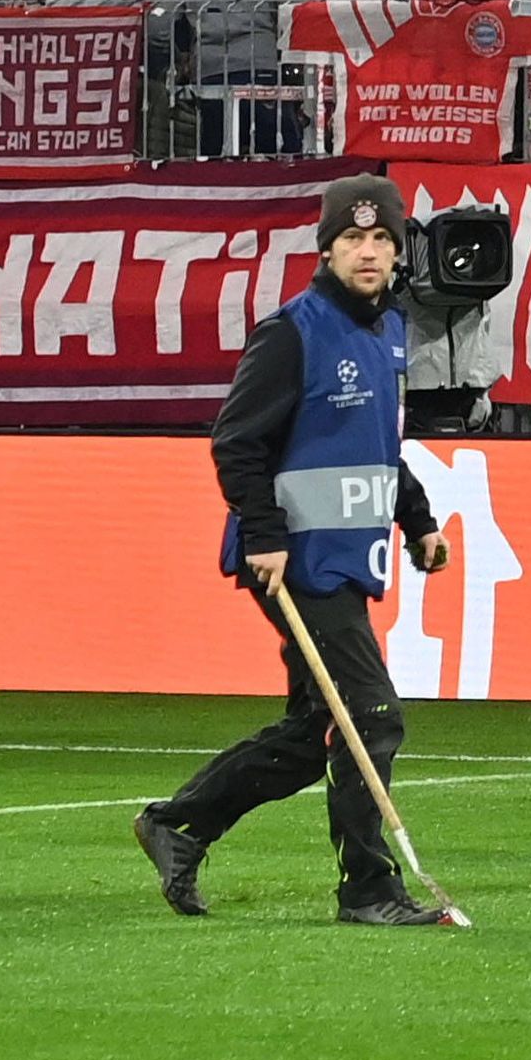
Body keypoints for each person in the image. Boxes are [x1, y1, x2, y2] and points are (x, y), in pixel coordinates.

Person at [136, 178, 454, 927]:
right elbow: (236, 441)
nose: (369, 251)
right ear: (328, 247)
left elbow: (379, 448)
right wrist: (264, 534)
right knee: (369, 714)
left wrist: (419, 520)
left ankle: (181, 823)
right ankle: (369, 890)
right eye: (353, 238)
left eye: (382, 239)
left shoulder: (384, 333)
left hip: (344, 556)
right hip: (295, 559)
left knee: (318, 730)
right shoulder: (293, 330)